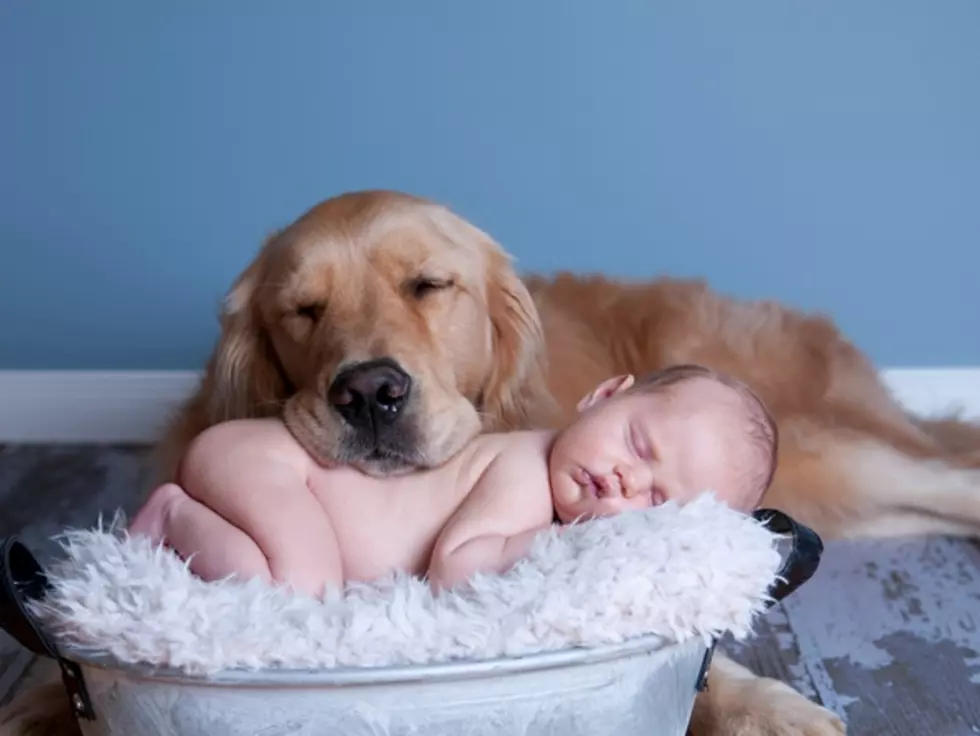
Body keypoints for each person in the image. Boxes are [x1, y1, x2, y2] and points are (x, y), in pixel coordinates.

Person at [128, 364, 778, 598]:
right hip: (274, 464)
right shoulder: (526, 469)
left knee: (276, 579)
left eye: (655, 500)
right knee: (304, 590)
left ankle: (183, 518)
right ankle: (169, 517)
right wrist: (574, 546)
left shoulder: (556, 489)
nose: (623, 478)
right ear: (603, 395)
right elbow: (457, 568)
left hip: (272, 476)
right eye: (637, 442)